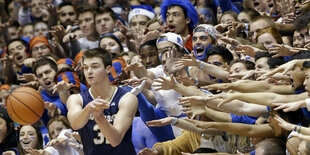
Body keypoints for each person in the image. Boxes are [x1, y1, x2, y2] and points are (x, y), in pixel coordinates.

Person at [66, 48, 138, 155]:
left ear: (108, 69)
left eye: (94, 67)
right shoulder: (76, 99)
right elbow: (75, 124)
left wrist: (99, 117)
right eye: (85, 67)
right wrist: (88, 109)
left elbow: (115, 140)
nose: (89, 71)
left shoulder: (127, 98)